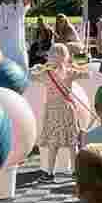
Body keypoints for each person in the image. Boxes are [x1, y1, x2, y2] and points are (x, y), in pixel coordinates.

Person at [36, 46, 91, 180]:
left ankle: (49, 173)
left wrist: (40, 67)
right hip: (67, 110)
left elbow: (30, 75)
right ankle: (75, 171)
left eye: (50, 55)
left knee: (53, 144)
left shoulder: (46, 74)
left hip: (53, 111)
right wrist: (75, 62)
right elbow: (87, 73)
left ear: (54, 57)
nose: (48, 57)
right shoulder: (69, 72)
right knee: (72, 143)